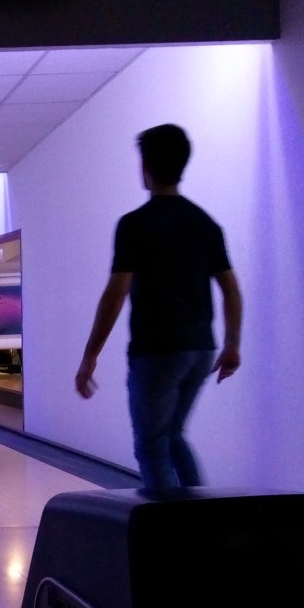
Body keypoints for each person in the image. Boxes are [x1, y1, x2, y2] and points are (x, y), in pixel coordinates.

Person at [75, 124, 243, 488]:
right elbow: (231, 289)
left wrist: (90, 355)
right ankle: (201, 520)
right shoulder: (205, 224)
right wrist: (232, 345)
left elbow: (115, 294)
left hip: (157, 352)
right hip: (200, 348)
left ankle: (170, 537)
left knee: (151, 446)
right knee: (174, 435)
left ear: (146, 166)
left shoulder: (135, 225)